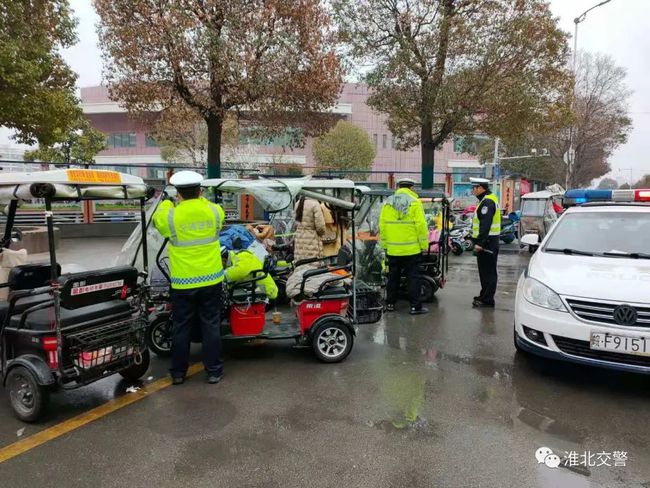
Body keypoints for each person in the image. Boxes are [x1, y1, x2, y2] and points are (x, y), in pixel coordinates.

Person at [153, 171, 226, 385]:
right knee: (210, 325)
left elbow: (159, 218)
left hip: (183, 282)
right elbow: (215, 214)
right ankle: (213, 371)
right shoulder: (214, 211)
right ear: (200, 190)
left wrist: (168, 201)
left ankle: (178, 373)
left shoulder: (171, 215)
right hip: (211, 278)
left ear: (178, 193)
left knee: (181, 326)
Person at [379, 177, 429, 315]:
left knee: (392, 278)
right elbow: (421, 226)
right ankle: (415, 307)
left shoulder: (387, 203)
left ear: (398, 187)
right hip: (411, 250)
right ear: (411, 188)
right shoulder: (415, 203)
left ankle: (389, 304)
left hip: (393, 249)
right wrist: (423, 245)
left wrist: (385, 245)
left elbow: (382, 226)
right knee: (413, 278)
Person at [469, 177, 501, 308]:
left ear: (481, 188)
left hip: (488, 242)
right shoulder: (487, 199)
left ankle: (487, 300)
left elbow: (485, 224)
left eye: (474, 188)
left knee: (488, 272)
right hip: (489, 241)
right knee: (485, 271)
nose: (472, 190)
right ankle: (484, 295)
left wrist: (480, 243)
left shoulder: (487, 202)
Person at [293, 196, 326, 264]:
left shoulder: (297, 203)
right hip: (312, 239)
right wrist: (321, 233)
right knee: (312, 263)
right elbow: (320, 226)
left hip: (299, 238)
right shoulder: (315, 204)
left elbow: (295, 222)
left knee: (301, 263)